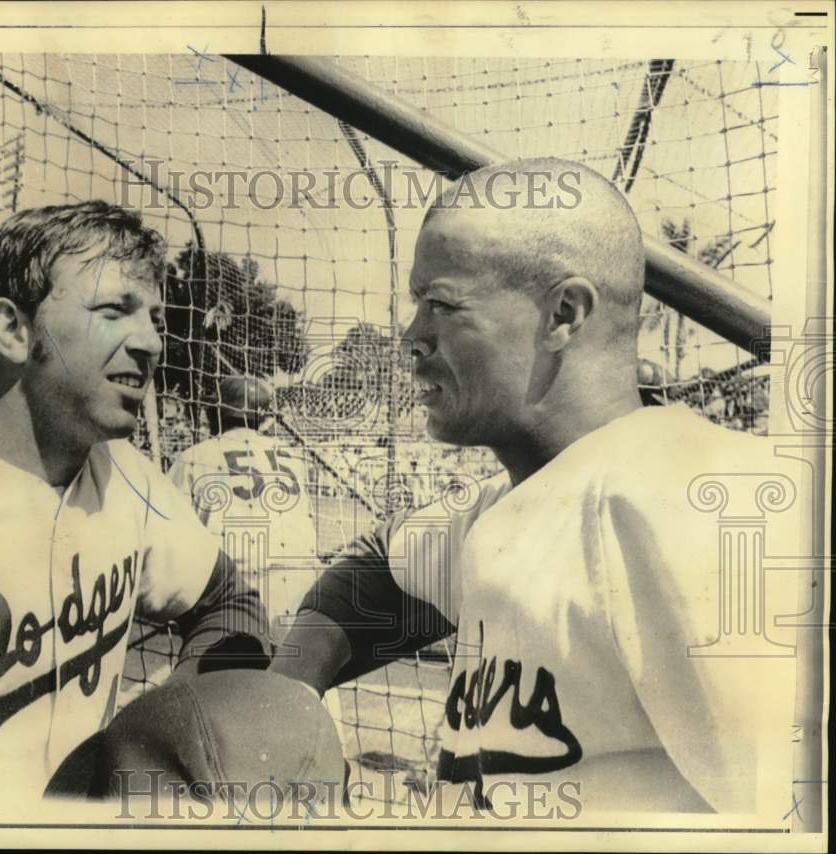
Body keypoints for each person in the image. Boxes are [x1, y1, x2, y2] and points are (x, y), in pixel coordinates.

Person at [268, 159, 800, 816]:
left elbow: (793, 816)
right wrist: (286, 695)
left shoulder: (699, 502)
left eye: (440, 304)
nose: (411, 338)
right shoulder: (515, 504)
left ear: (563, 315)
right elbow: (379, 566)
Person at [0, 202, 284, 817]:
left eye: (155, 317)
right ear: (15, 331)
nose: (151, 341)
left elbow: (230, 600)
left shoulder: (129, 477)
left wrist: (175, 721)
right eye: (113, 311)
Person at [168, 376, 321, 645]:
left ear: (215, 413)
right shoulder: (291, 455)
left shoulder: (196, 455)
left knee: (228, 680)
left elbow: (171, 536)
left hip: (238, 588)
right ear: (263, 419)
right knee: (298, 676)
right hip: (301, 585)